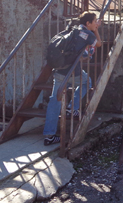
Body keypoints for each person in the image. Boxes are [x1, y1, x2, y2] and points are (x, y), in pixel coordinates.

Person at [43, 12, 102, 146]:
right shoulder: (88, 34)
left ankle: (49, 135)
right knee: (87, 82)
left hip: (59, 70)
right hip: (73, 72)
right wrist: (97, 30)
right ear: (88, 23)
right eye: (94, 21)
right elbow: (98, 44)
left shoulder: (73, 30)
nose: (95, 23)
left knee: (54, 100)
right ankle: (72, 108)